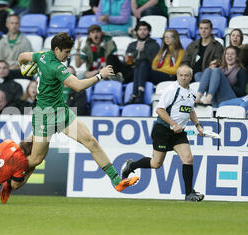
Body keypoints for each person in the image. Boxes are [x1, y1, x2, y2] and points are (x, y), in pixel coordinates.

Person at [18, 32, 140, 192]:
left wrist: (23, 68)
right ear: (56, 49)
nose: (68, 56)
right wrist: (100, 75)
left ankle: (117, 181)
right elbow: (77, 86)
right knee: (35, 159)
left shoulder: (41, 55)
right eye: (66, 52)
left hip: (61, 112)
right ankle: (11, 172)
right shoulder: (54, 66)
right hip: (44, 116)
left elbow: (22, 56)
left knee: (91, 141)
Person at [121, 65, 205, 202]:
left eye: (187, 75)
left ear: (191, 77)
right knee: (156, 164)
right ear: (177, 76)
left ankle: (189, 193)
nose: (184, 78)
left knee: (188, 158)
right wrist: (173, 124)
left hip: (179, 133)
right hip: (163, 130)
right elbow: (159, 110)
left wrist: (198, 125)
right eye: (181, 75)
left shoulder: (192, 92)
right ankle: (131, 165)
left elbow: (190, 110)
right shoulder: (172, 90)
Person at [106, 21, 159, 90]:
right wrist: (127, 60)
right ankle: (113, 76)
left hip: (142, 71)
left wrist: (143, 51)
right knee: (111, 57)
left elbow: (154, 63)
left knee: (138, 68)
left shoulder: (154, 45)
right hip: (129, 68)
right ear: (137, 32)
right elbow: (128, 63)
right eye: (140, 30)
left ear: (149, 32)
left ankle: (121, 78)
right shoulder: (132, 45)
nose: (142, 32)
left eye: (145, 30)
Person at [0, 13, 32, 78]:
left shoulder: (25, 41)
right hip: (4, 69)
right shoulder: (2, 41)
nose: (14, 26)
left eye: (16, 23)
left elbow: (28, 61)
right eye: (12, 23)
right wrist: (6, 67)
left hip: (18, 69)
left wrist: (17, 66)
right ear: (7, 24)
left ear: (19, 25)